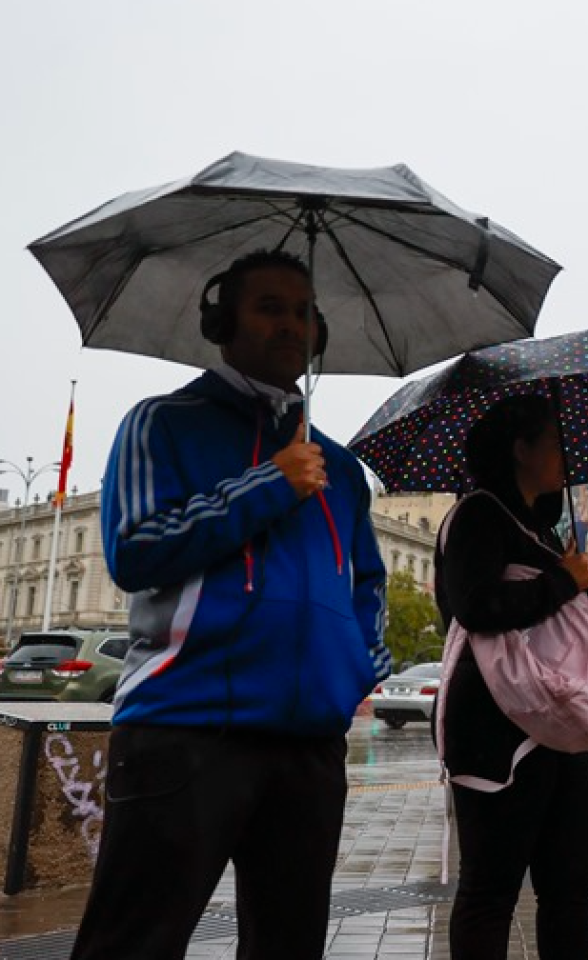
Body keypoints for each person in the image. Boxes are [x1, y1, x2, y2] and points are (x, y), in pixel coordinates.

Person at [74, 249, 390, 959]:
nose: (290, 325)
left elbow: (366, 584)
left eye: (304, 312)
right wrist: (268, 484)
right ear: (222, 321)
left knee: (289, 946)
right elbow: (135, 549)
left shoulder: (339, 468)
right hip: (185, 731)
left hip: (308, 745)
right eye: (269, 307)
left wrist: (355, 670)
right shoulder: (162, 424)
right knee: (134, 944)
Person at [435, 394, 588, 959]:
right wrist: (562, 583)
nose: (565, 454)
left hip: (560, 728)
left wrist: (579, 580)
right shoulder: (477, 515)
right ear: (520, 448)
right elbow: (473, 606)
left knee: (573, 886)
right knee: (491, 888)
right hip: (496, 731)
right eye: (554, 442)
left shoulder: (543, 530)